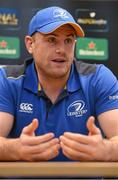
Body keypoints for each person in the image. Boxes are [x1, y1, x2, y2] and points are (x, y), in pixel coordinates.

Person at [0, 6, 118, 162]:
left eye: (68, 40)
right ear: (30, 44)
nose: (61, 49)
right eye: (51, 40)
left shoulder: (98, 78)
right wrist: (14, 149)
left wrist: (107, 150)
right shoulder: (7, 80)